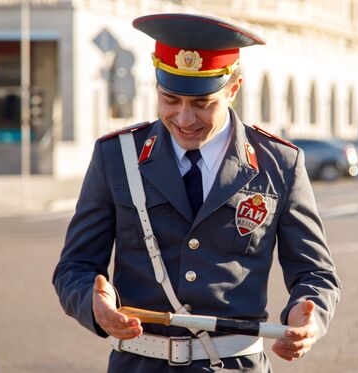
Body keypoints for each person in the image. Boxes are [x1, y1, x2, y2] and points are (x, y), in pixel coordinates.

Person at [53, 13, 341, 372]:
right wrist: (93, 305)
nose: (185, 119)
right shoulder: (116, 156)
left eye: (203, 103)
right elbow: (74, 267)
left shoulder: (278, 164)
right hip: (140, 363)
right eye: (171, 99)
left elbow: (316, 274)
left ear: (233, 89)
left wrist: (309, 314)